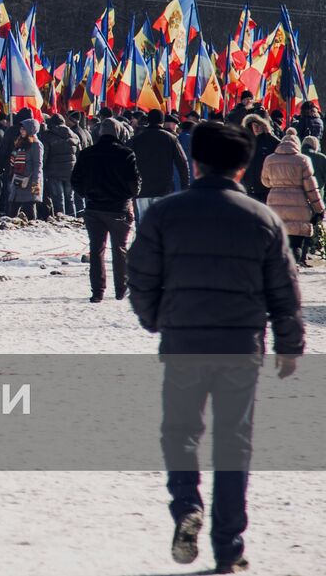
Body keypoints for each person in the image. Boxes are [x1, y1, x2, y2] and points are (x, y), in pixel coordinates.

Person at [128, 121, 304, 575]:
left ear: (195, 160)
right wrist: (289, 343)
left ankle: (187, 502)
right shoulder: (261, 218)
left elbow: (141, 275)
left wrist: (154, 320)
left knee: (180, 432)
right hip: (241, 344)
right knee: (234, 441)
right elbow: (284, 289)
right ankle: (228, 546)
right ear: (243, 168)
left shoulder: (165, 214)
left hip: (184, 339)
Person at [70, 119, 141, 302]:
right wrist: (126, 195)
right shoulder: (126, 154)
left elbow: (75, 180)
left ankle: (97, 291)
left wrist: (86, 194)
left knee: (96, 250)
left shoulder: (87, 154)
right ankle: (121, 289)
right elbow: (135, 184)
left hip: (94, 207)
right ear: (119, 133)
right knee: (120, 250)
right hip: (119, 208)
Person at [260, 128, 325, 267]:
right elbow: (311, 188)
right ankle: (292, 269)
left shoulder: (270, 159)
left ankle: (280, 269)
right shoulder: (303, 160)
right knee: (296, 244)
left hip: (275, 204)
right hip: (299, 207)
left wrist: (278, 184)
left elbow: (265, 181)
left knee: (279, 242)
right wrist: (320, 209)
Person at [131, 110, 190, 218]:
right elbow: (183, 164)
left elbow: (128, 162)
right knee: (161, 223)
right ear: (162, 122)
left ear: (148, 121)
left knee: (144, 223)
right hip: (164, 189)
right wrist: (185, 187)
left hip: (142, 189)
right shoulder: (171, 138)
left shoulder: (137, 139)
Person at [40, 114, 81, 216]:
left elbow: (44, 156)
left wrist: (43, 169)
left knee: (58, 199)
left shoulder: (48, 136)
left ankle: (61, 220)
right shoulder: (74, 135)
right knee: (70, 198)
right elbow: (79, 154)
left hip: (54, 172)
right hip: (71, 172)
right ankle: (72, 219)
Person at [8, 119, 44, 219]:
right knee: (13, 209)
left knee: (29, 208)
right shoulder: (20, 142)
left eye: (24, 129)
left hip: (29, 181)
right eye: (21, 128)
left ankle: (32, 230)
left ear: (30, 130)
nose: (21, 131)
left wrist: (35, 182)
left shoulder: (36, 144)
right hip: (18, 180)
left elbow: (38, 164)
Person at [240, 115, 278, 203]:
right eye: (252, 126)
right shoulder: (246, 142)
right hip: (250, 188)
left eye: (256, 125)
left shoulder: (271, 141)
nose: (255, 129)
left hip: (265, 188)